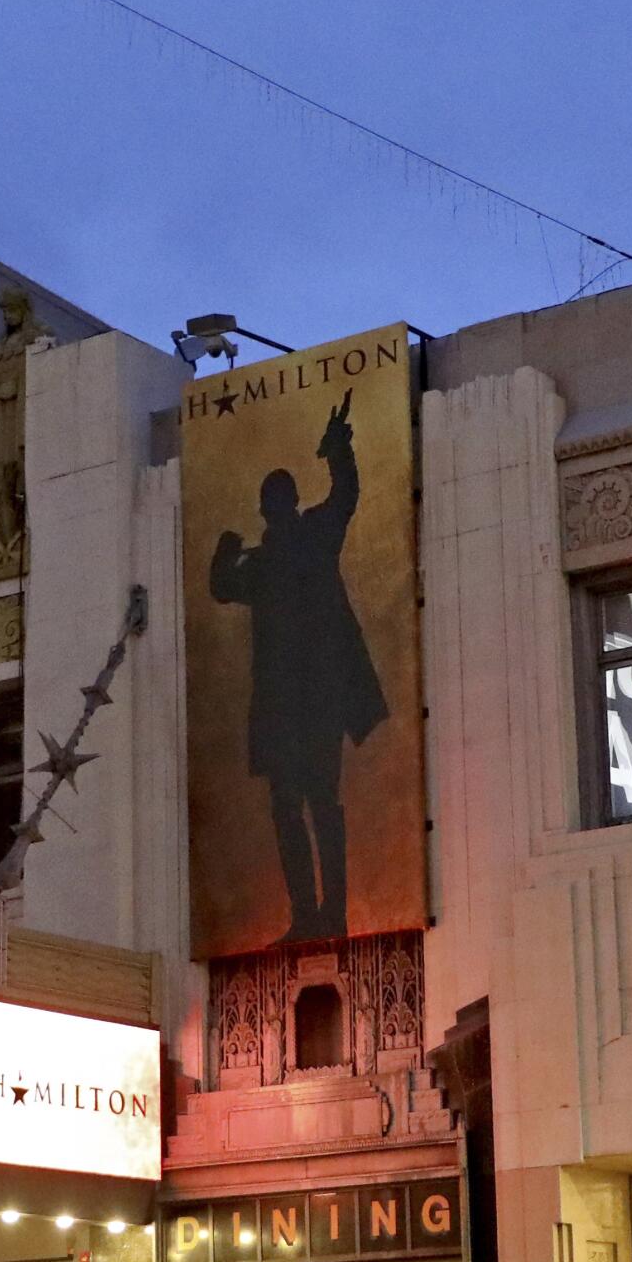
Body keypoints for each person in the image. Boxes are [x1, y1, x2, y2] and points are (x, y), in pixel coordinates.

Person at [210, 389, 389, 942]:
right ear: (276, 509)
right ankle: (313, 917)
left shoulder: (297, 545)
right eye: (277, 503)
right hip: (293, 706)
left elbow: (346, 495)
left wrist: (226, 547)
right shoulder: (287, 551)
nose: (278, 510)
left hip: (309, 702)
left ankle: (323, 916)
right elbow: (346, 493)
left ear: (275, 508)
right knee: (300, 806)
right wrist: (337, 451)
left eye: (278, 502)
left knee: (307, 805)